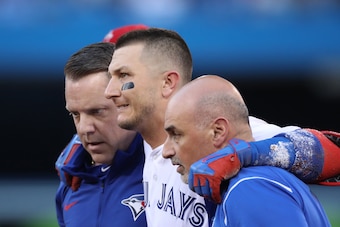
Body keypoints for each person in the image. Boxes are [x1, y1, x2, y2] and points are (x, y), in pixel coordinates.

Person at [104, 27, 340, 226]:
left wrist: (242, 153)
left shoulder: (217, 135)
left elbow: (334, 151)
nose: (110, 91)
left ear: (167, 82)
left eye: (123, 75)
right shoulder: (146, 141)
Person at [162, 74, 331, 226]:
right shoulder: (252, 183)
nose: (166, 151)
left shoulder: (249, 189)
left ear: (218, 132)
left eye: (176, 134)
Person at [55, 24, 148, 227]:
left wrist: (233, 151)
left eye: (97, 112)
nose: (84, 129)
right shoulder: (72, 181)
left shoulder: (177, 168)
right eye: (75, 114)